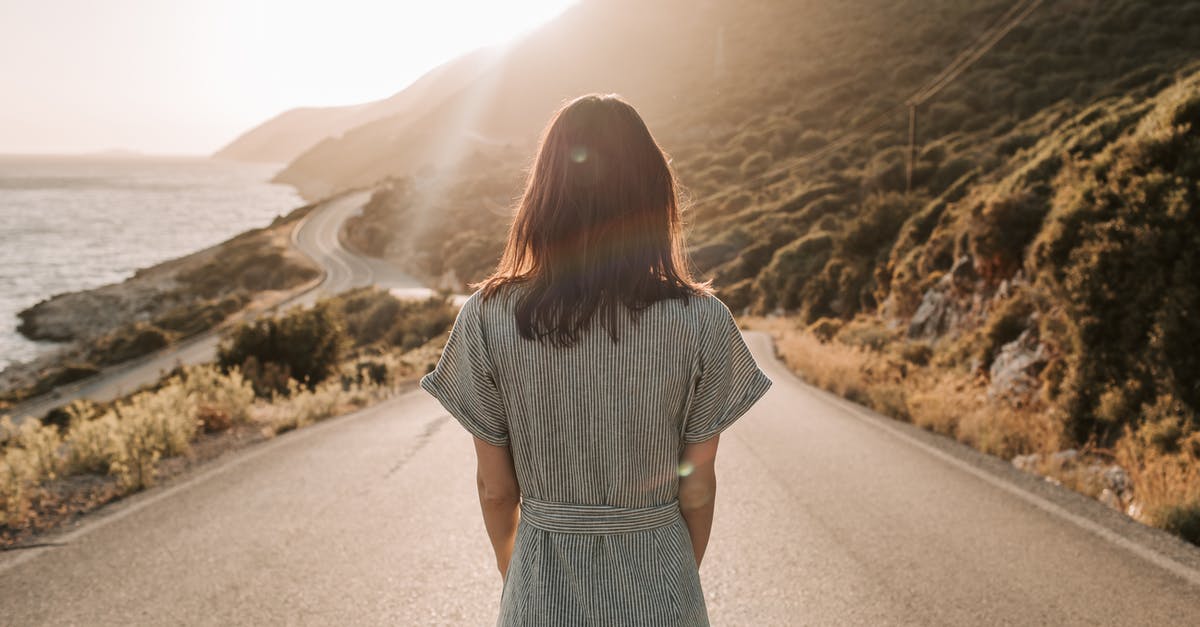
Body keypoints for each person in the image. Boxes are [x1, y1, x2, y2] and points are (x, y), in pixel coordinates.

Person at [420, 93, 772, 625]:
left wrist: (516, 578)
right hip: (662, 591)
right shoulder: (704, 321)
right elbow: (697, 491)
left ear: (544, 194)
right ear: (654, 195)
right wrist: (670, 578)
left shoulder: (487, 316)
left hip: (539, 589)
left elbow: (497, 491)